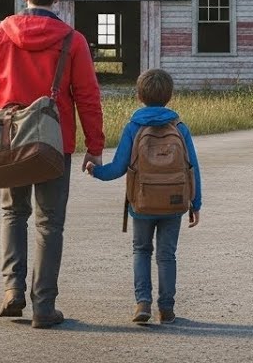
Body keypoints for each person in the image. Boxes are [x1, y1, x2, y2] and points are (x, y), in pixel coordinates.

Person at [0, 0, 104, 329]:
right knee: (50, 223)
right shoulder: (72, 40)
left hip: (9, 142)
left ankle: (12, 290)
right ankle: (44, 307)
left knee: (14, 214)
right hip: (54, 144)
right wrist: (95, 146)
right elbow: (88, 97)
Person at [84, 68, 202, 325]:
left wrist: (96, 171)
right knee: (167, 254)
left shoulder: (134, 127)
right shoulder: (180, 127)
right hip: (174, 203)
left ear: (139, 96)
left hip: (141, 201)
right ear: (170, 96)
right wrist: (196, 203)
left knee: (141, 250)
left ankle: (143, 304)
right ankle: (167, 308)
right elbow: (193, 167)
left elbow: (118, 168)